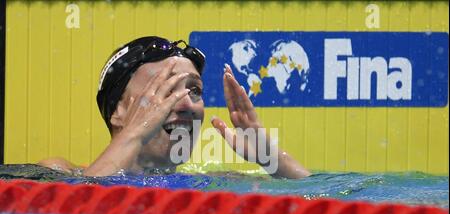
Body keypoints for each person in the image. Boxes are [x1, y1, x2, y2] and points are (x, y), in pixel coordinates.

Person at [38, 36, 310, 179]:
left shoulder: (210, 185)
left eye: (194, 90)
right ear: (118, 111)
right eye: (165, 90)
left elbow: (317, 201)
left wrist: (269, 157)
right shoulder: (58, 172)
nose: (186, 103)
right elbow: (80, 209)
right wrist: (134, 134)